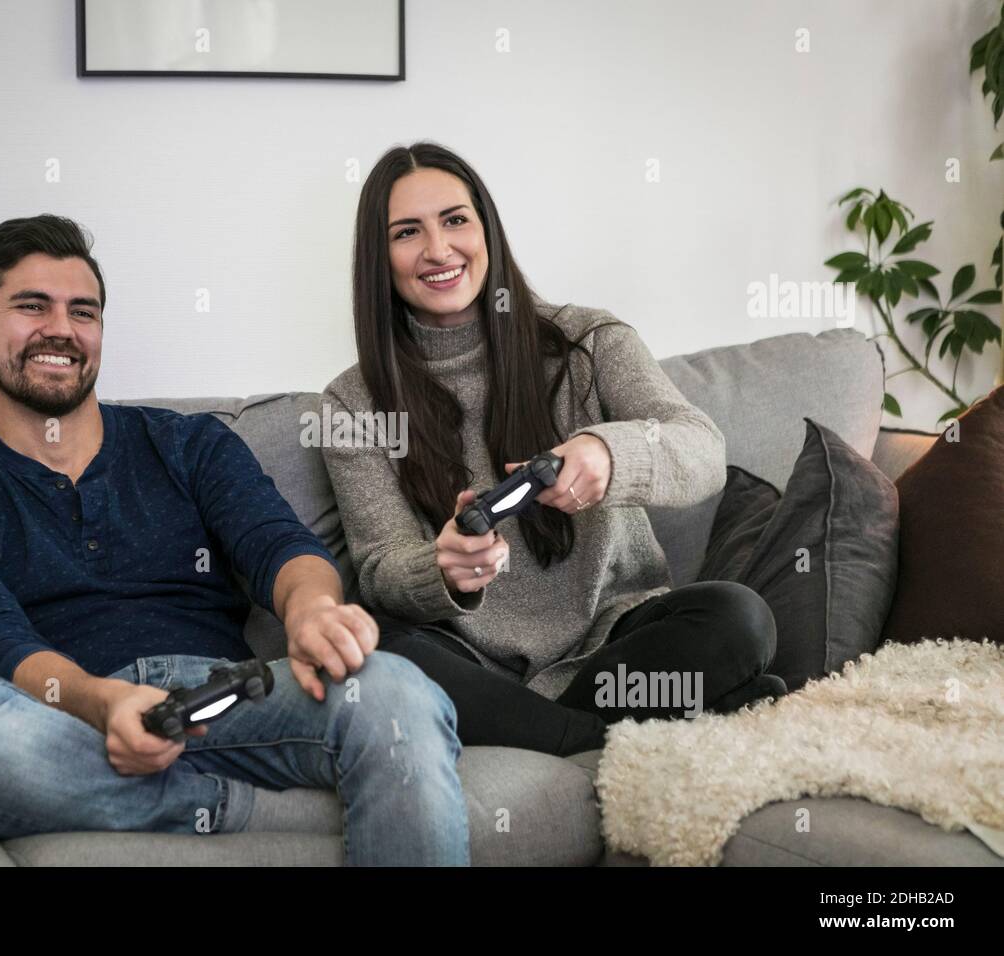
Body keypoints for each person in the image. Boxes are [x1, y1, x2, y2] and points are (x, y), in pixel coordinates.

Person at [0, 214, 469, 865]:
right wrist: (104, 703)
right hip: (63, 718)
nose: (63, 330)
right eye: (30, 307)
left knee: (396, 687)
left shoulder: (189, 443)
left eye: (84, 312)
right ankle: (221, 808)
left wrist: (312, 611)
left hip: (228, 695)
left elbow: (281, 547)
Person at [321, 142, 787, 757]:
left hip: (612, 644)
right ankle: (596, 739)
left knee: (739, 618)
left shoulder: (590, 343)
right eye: (407, 232)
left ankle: (546, 736)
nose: (438, 250)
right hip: (468, 664)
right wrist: (442, 570)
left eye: (456, 220)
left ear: (487, 227)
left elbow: (701, 449)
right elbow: (378, 570)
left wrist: (608, 452)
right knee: (377, 649)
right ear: (379, 259)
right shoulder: (350, 405)